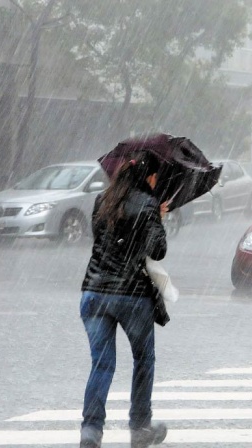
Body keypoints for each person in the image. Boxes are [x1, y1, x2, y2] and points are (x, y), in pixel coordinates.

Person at [79, 152, 169, 448]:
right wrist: (157, 217)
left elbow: (100, 238)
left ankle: (91, 431)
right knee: (144, 359)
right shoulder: (148, 204)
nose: (157, 182)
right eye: (156, 177)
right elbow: (157, 250)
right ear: (148, 177)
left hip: (94, 292)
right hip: (131, 297)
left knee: (101, 365)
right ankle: (140, 426)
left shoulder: (101, 201)